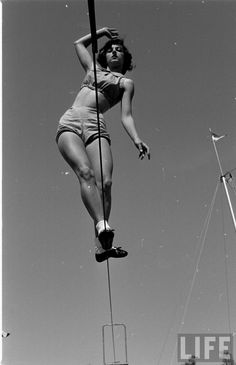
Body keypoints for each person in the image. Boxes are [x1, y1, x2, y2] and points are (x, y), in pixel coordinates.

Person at [56, 27, 150, 262]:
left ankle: (102, 243)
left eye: (119, 51)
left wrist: (137, 139)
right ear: (104, 56)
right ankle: (102, 228)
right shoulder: (93, 69)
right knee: (84, 172)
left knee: (105, 183)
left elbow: (126, 116)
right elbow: (78, 43)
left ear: (125, 59)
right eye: (111, 50)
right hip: (71, 120)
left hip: (96, 124)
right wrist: (102, 33)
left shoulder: (126, 83)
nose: (115, 52)